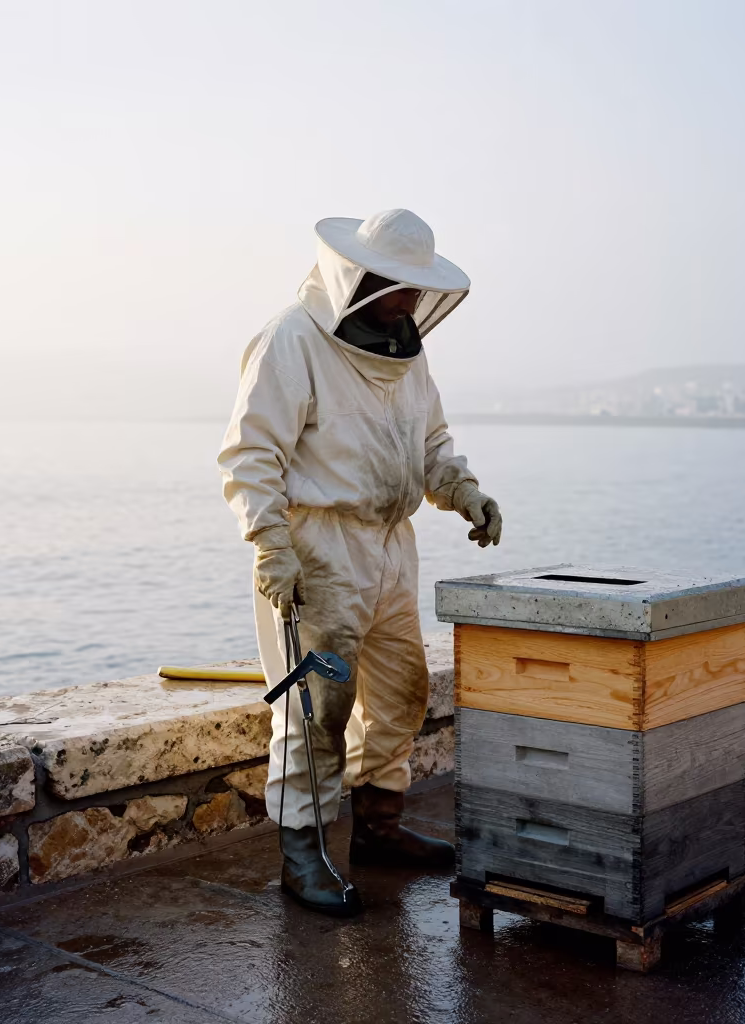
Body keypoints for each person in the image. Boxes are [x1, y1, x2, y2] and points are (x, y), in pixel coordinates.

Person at [218, 209, 502, 917]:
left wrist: (463, 491)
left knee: (403, 694)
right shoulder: (292, 339)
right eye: (400, 284)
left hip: (391, 547)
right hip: (318, 552)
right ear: (363, 277)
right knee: (316, 712)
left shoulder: (407, 353)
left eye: (417, 286)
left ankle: (379, 828)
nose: (412, 299)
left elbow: (430, 443)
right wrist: (271, 545)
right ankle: (302, 855)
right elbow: (251, 454)